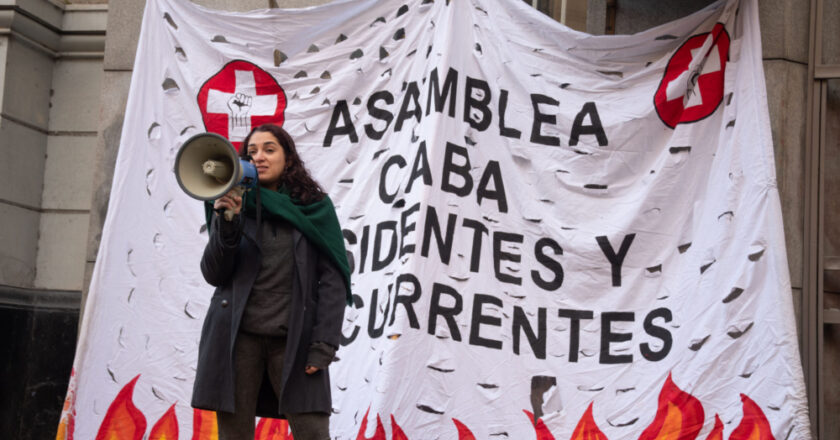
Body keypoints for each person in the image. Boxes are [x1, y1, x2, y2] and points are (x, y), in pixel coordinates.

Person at [190, 123, 350, 440]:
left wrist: (324, 345)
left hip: (295, 340)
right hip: (237, 341)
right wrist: (228, 223)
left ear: (288, 157)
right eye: (252, 151)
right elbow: (214, 274)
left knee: (313, 433)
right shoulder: (230, 203)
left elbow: (333, 282)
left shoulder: (314, 208)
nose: (259, 156)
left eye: (269, 149)